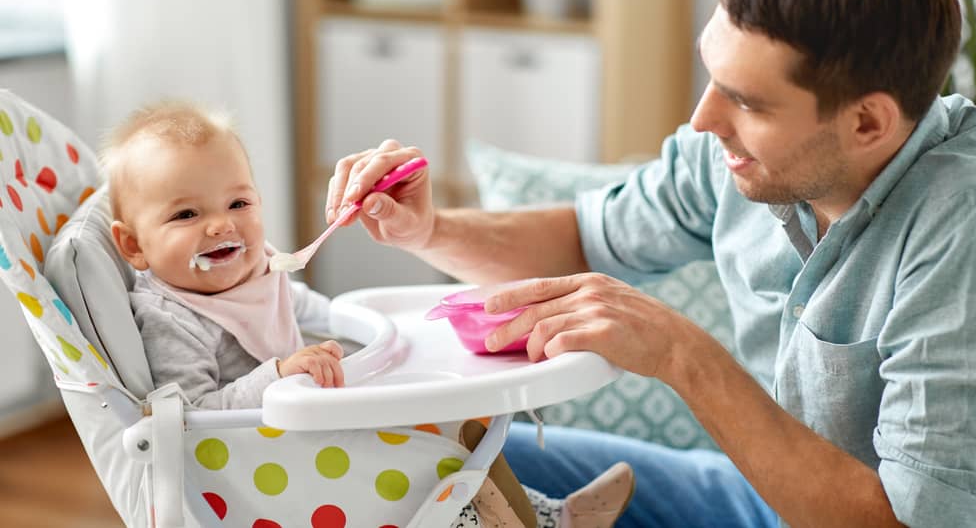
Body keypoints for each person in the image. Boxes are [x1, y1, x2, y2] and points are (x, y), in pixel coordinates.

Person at [324, 0, 976, 528]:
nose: (705, 120)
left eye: (750, 104)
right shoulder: (737, 155)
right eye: (713, 77)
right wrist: (430, 229)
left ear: (867, 121)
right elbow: (584, 236)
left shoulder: (972, 219)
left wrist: (682, 353)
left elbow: (913, 522)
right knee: (421, 457)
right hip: (754, 496)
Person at [103, 100, 635, 528]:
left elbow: (301, 306)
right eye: (187, 214)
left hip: (308, 426)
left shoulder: (255, 269)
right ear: (134, 247)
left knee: (460, 420)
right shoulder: (171, 317)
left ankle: (545, 515)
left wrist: (351, 327)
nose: (221, 226)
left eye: (238, 205)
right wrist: (279, 375)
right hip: (264, 463)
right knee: (428, 446)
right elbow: (196, 419)